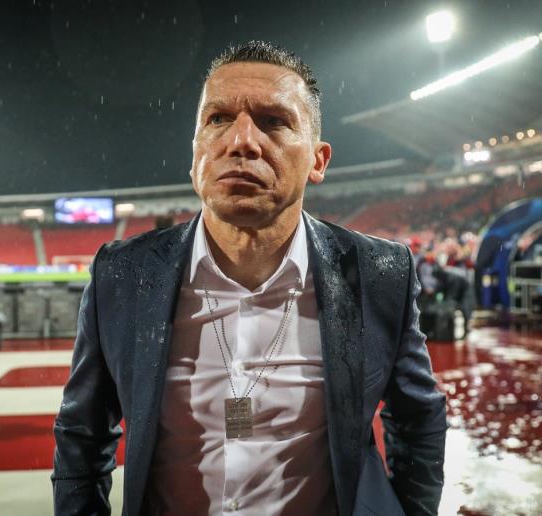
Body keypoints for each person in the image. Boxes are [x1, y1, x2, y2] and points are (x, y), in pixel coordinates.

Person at [52, 40, 447, 516]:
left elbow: (418, 418)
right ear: (195, 154)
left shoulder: (379, 273)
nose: (241, 141)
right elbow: (83, 435)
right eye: (218, 118)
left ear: (318, 160)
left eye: (273, 121)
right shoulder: (123, 275)